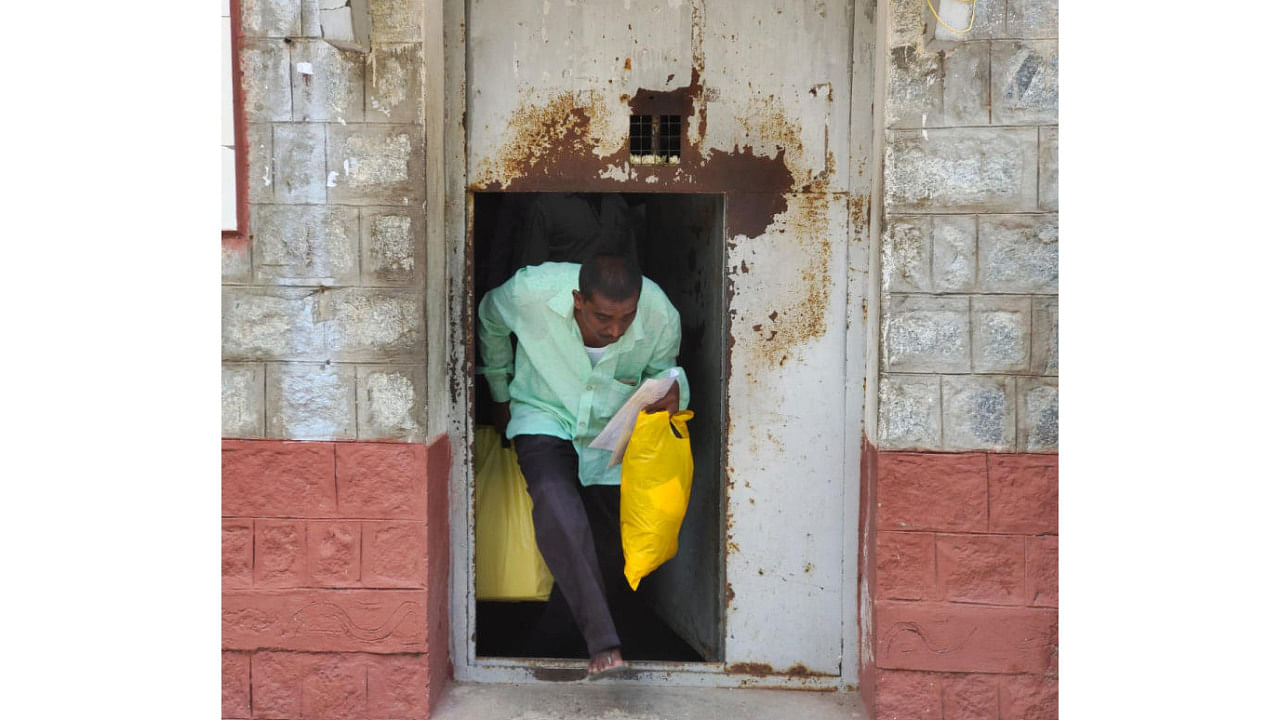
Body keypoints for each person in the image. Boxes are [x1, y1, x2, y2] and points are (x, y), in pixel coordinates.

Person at [477, 252, 688, 678]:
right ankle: (604, 646)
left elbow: (665, 373)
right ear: (577, 299)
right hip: (544, 411)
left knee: (610, 551)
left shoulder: (661, 313)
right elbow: (489, 318)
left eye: (626, 318)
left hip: (611, 432)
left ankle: (544, 650)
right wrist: (499, 391)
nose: (615, 330)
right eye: (603, 318)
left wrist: (674, 391)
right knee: (557, 504)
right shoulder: (530, 291)